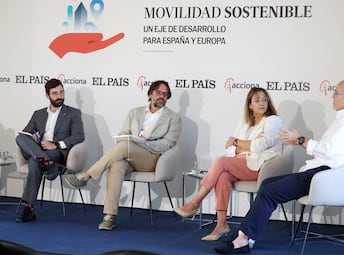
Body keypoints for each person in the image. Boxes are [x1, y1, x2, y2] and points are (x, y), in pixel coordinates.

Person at [214, 79, 344, 254]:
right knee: (267, 184)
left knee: (268, 192)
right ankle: (244, 234)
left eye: (335, 93)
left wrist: (301, 140)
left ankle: (243, 240)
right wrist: (300, 142)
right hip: (323, 173)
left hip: (325, 177)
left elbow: (328, 152)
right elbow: (330, 151)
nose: (332, 96)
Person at [66, 80, 181, 230]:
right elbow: (123, 134)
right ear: (150, 94)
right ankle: (109, 216)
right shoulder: (134, 112)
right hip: (129, 154)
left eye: (165, 94)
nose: (162, 96)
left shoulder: (173, 118)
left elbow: (169, 143)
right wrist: (131, 140)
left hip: (151, 158)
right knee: (116, 165)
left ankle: (87, 175)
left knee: (126, 146)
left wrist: (146, 143)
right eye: (159, 92)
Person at [174, 87, 283, 241]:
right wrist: (242, 147)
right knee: (223, 176)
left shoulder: (273, 121)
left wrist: (238, 143)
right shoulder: (244, 123)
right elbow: (230, 148)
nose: (262, 103)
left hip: (260, 168)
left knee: (220, 161)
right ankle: (222, 224)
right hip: (242, 163)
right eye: (257, 100)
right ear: (250, 105)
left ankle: (195, 202)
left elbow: (260, 146)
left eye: (264, 99)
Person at [15, 78, 85, 222]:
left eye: (61, 92)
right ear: (47, 95)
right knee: (20, 138)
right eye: (55, 93)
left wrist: (57, 145)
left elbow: (79, 136)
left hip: (55, 152)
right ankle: (48, 164)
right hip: (38, 149)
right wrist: (34, 140)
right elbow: (25, 133)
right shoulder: (38, 114)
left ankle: (28, 208)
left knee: (35, 162)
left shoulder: (73, 113)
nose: (60, 96)